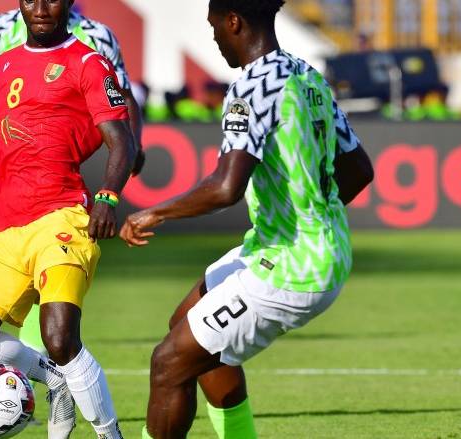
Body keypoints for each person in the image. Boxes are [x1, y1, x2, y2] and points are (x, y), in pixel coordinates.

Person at [118, 1, 374, 438]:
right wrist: (311, 219)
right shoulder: (307, 76)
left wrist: (153, 212)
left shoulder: (252, 87)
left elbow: (225, 187)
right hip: (306, 247)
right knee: (187, 326)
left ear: (233, 22)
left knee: (168, 363)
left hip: (294, 265)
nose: (215, 38)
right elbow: (359, 170)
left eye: (214, 27)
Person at [0, 0, 136, 436]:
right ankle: (55, 381)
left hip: (60, 217)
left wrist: (108, 197)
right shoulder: (4, 64)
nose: (40, 8)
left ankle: (109, 434)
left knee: (60, 338)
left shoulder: (89, 63)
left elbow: (123, 140)